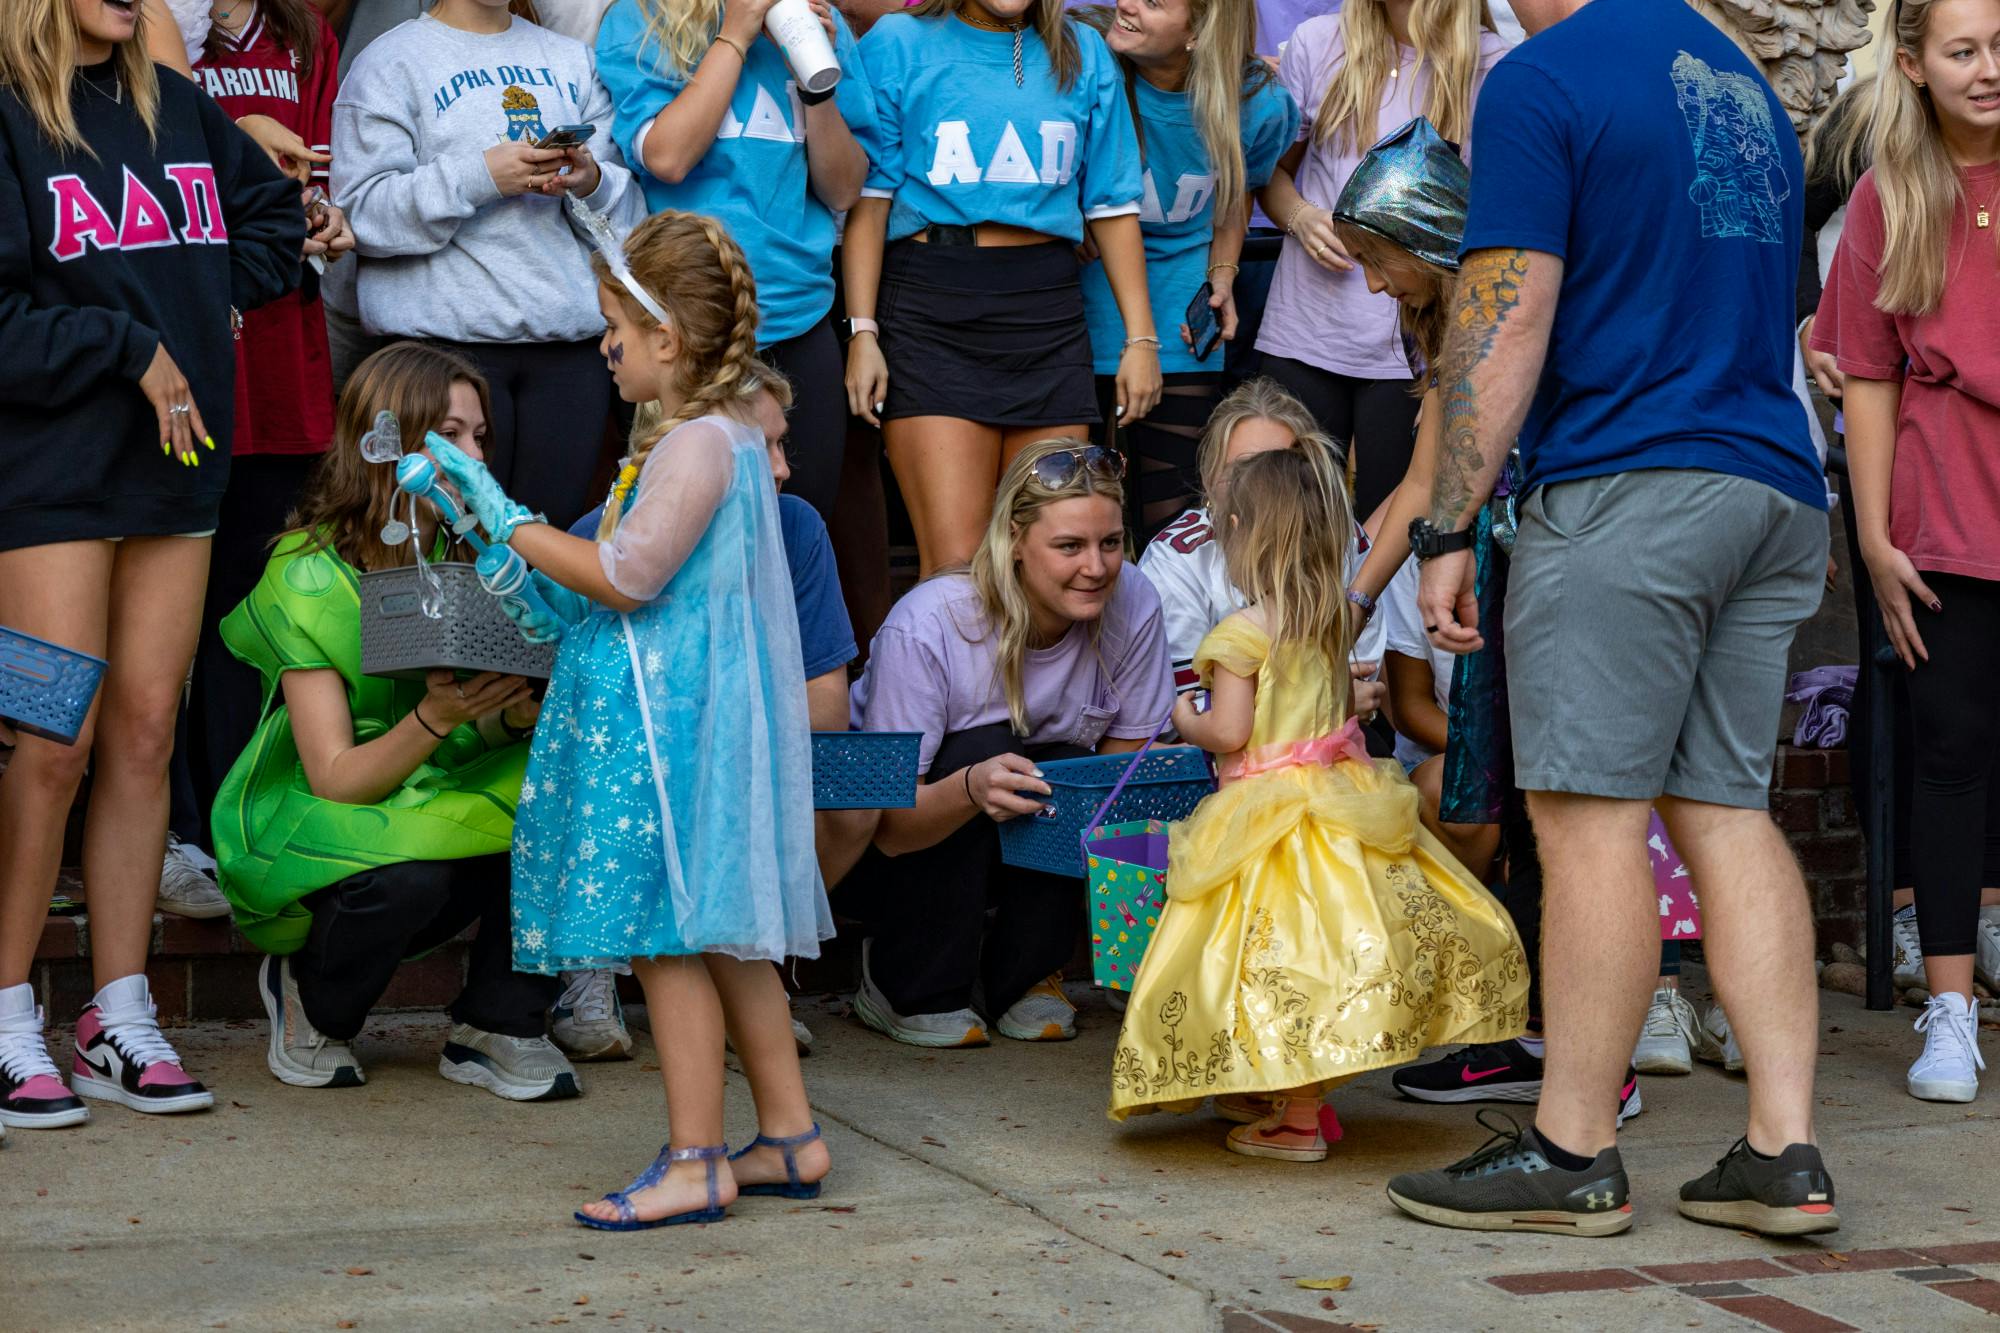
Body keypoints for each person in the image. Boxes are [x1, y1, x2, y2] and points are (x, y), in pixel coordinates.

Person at [1389, 0, 1838, 1239]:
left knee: (1586, 816)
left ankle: (1571, 1147)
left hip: (1630, 485)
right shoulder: (1740, 80)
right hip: (1769, 483)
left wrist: (1442, 525)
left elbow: (1504, 312)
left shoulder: (1540, 79)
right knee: (1724, 806)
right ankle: (1779, 1150)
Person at [428, 209, 833, 1229]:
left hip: (662, 735)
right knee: (728, 940)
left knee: (667, 938)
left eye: (615, 324)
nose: (601, 344)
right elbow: (580, 590)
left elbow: (624, 575)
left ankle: (697, 1160)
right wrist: (493, 532)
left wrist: (509, 512)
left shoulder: (698, 440)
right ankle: (787, 1133)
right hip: (674, 719)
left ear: (670, 339)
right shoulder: (711, 437)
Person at [0, 0, 302, 1132]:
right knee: (50, 737)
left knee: (141, 730)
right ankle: (5, 1007)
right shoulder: (8, 109)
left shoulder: (174, 106)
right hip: (48, 478)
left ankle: (115, 1012)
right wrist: (131, 344)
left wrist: (209, 291)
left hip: (176, 471)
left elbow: (270, 221)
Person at [1109, 443, 1527, 1162]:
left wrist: (1185, 716)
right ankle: (1300, 1100)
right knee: (1326, 960)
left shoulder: (1241, 634)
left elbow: (1232, 731)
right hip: (1342, 803)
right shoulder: (1334, 618)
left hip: (1266, 817)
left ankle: (1296, 1119)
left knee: (1263, 960)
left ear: (1238, 530)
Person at [210, 342, 575, 1098]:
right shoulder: (304, 571)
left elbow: (481, 736)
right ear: (388, 445)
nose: (476, 456)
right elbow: (337, 779)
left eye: (481, 437)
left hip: (439, 788)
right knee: (409, 872)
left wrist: (513, 712)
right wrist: (439, 717)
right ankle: (314, 999)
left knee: (565, 789)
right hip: (323, 814)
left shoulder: (475, 558)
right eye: (453, 434)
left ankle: (500, 1021)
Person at [556, 389, 870, 1062]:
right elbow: (567, 702)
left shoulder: (793, 526)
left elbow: (825, 708)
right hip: (631, 759)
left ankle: (744, 970)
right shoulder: (599, 532)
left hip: (739, 753)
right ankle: (593, 964)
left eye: (783, 447)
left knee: (844, 804)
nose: (782, 471)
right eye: (762, 452)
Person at [1812, 0, 2000, 1103]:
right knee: (1947, 751)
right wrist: (1875, 541)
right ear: (1916, 65)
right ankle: (1946, 1008)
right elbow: (1868, 377)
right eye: (1963, 51)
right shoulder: (1892, 195)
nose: (1986, 70)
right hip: (1944, 514)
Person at [845, 438, 1176, 1047]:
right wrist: (971, 788)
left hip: (1030, 842)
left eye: (1109, 543)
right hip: (890, 846)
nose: (1097, 567)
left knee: (1080, 771)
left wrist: (1133, 962)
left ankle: (1027, 977)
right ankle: (905, 982)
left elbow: (1125, 783)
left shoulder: (1132, 599)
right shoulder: (931, 623)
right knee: (982, 750)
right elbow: (886, 826)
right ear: (1016, 543)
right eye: (1069, 546)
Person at [843, 0, 1160, 574]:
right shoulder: (898, 42)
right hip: (931, 306)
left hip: (1048, 310)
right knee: (957, 565)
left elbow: (1113, 205)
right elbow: (870, 198)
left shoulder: (1084, 50)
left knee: (1051, 559)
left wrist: (1142, 341)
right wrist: (863, 330)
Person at [161, 0, 357, 922]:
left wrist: (318, 213)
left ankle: (229, 823)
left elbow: (314, 167)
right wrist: (242, 135)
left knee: (246, 614)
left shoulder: (301, 29)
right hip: (193, 351)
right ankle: (167, 824)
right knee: (166, 619)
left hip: (281, 346)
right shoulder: (156, 23)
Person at [331, 0, 646, 528]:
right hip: (439, 356)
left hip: (567, 355)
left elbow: (626, 220)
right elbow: (360, 214)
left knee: (552, 555)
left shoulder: (571, 59)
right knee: (452, 552)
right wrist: (480, 178)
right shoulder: (389, 61)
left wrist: (589, 181)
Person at [595, 0, 877, 520]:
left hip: (797, 317)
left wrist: (815, 83)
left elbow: (844, 190)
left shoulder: (814, 19)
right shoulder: (639, 17)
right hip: (686, 325)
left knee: (799, 523)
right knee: (684, 532)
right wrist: (736, 36)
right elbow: (667, 157)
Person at [1254, 0, 1507, 522]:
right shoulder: (1316, 41)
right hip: (1307, 326)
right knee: (1289, 523)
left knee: (1394, 528)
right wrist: (1300, 215)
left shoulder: (1494, 63)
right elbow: (1268, 175)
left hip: (1417, 342)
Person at [1072, 0, 1299, 538]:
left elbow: (1239, 190)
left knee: (1171, 510)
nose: (1127, 5)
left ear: (1199, 30)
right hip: (1082, 290)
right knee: (1073, 499)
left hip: (1177, 301)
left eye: (1153, 3)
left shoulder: (1258, 102)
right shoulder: (1087, 62)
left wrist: (1223, 272)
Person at [1140, 377, 1386, 716]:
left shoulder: (1344, 541)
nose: (1261, 489)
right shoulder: (1178, 558)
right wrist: (1319, 700)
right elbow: (1188, 707)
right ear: (1210, 479)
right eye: (1242, 470)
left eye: (1278, 469)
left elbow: (1364, 681)